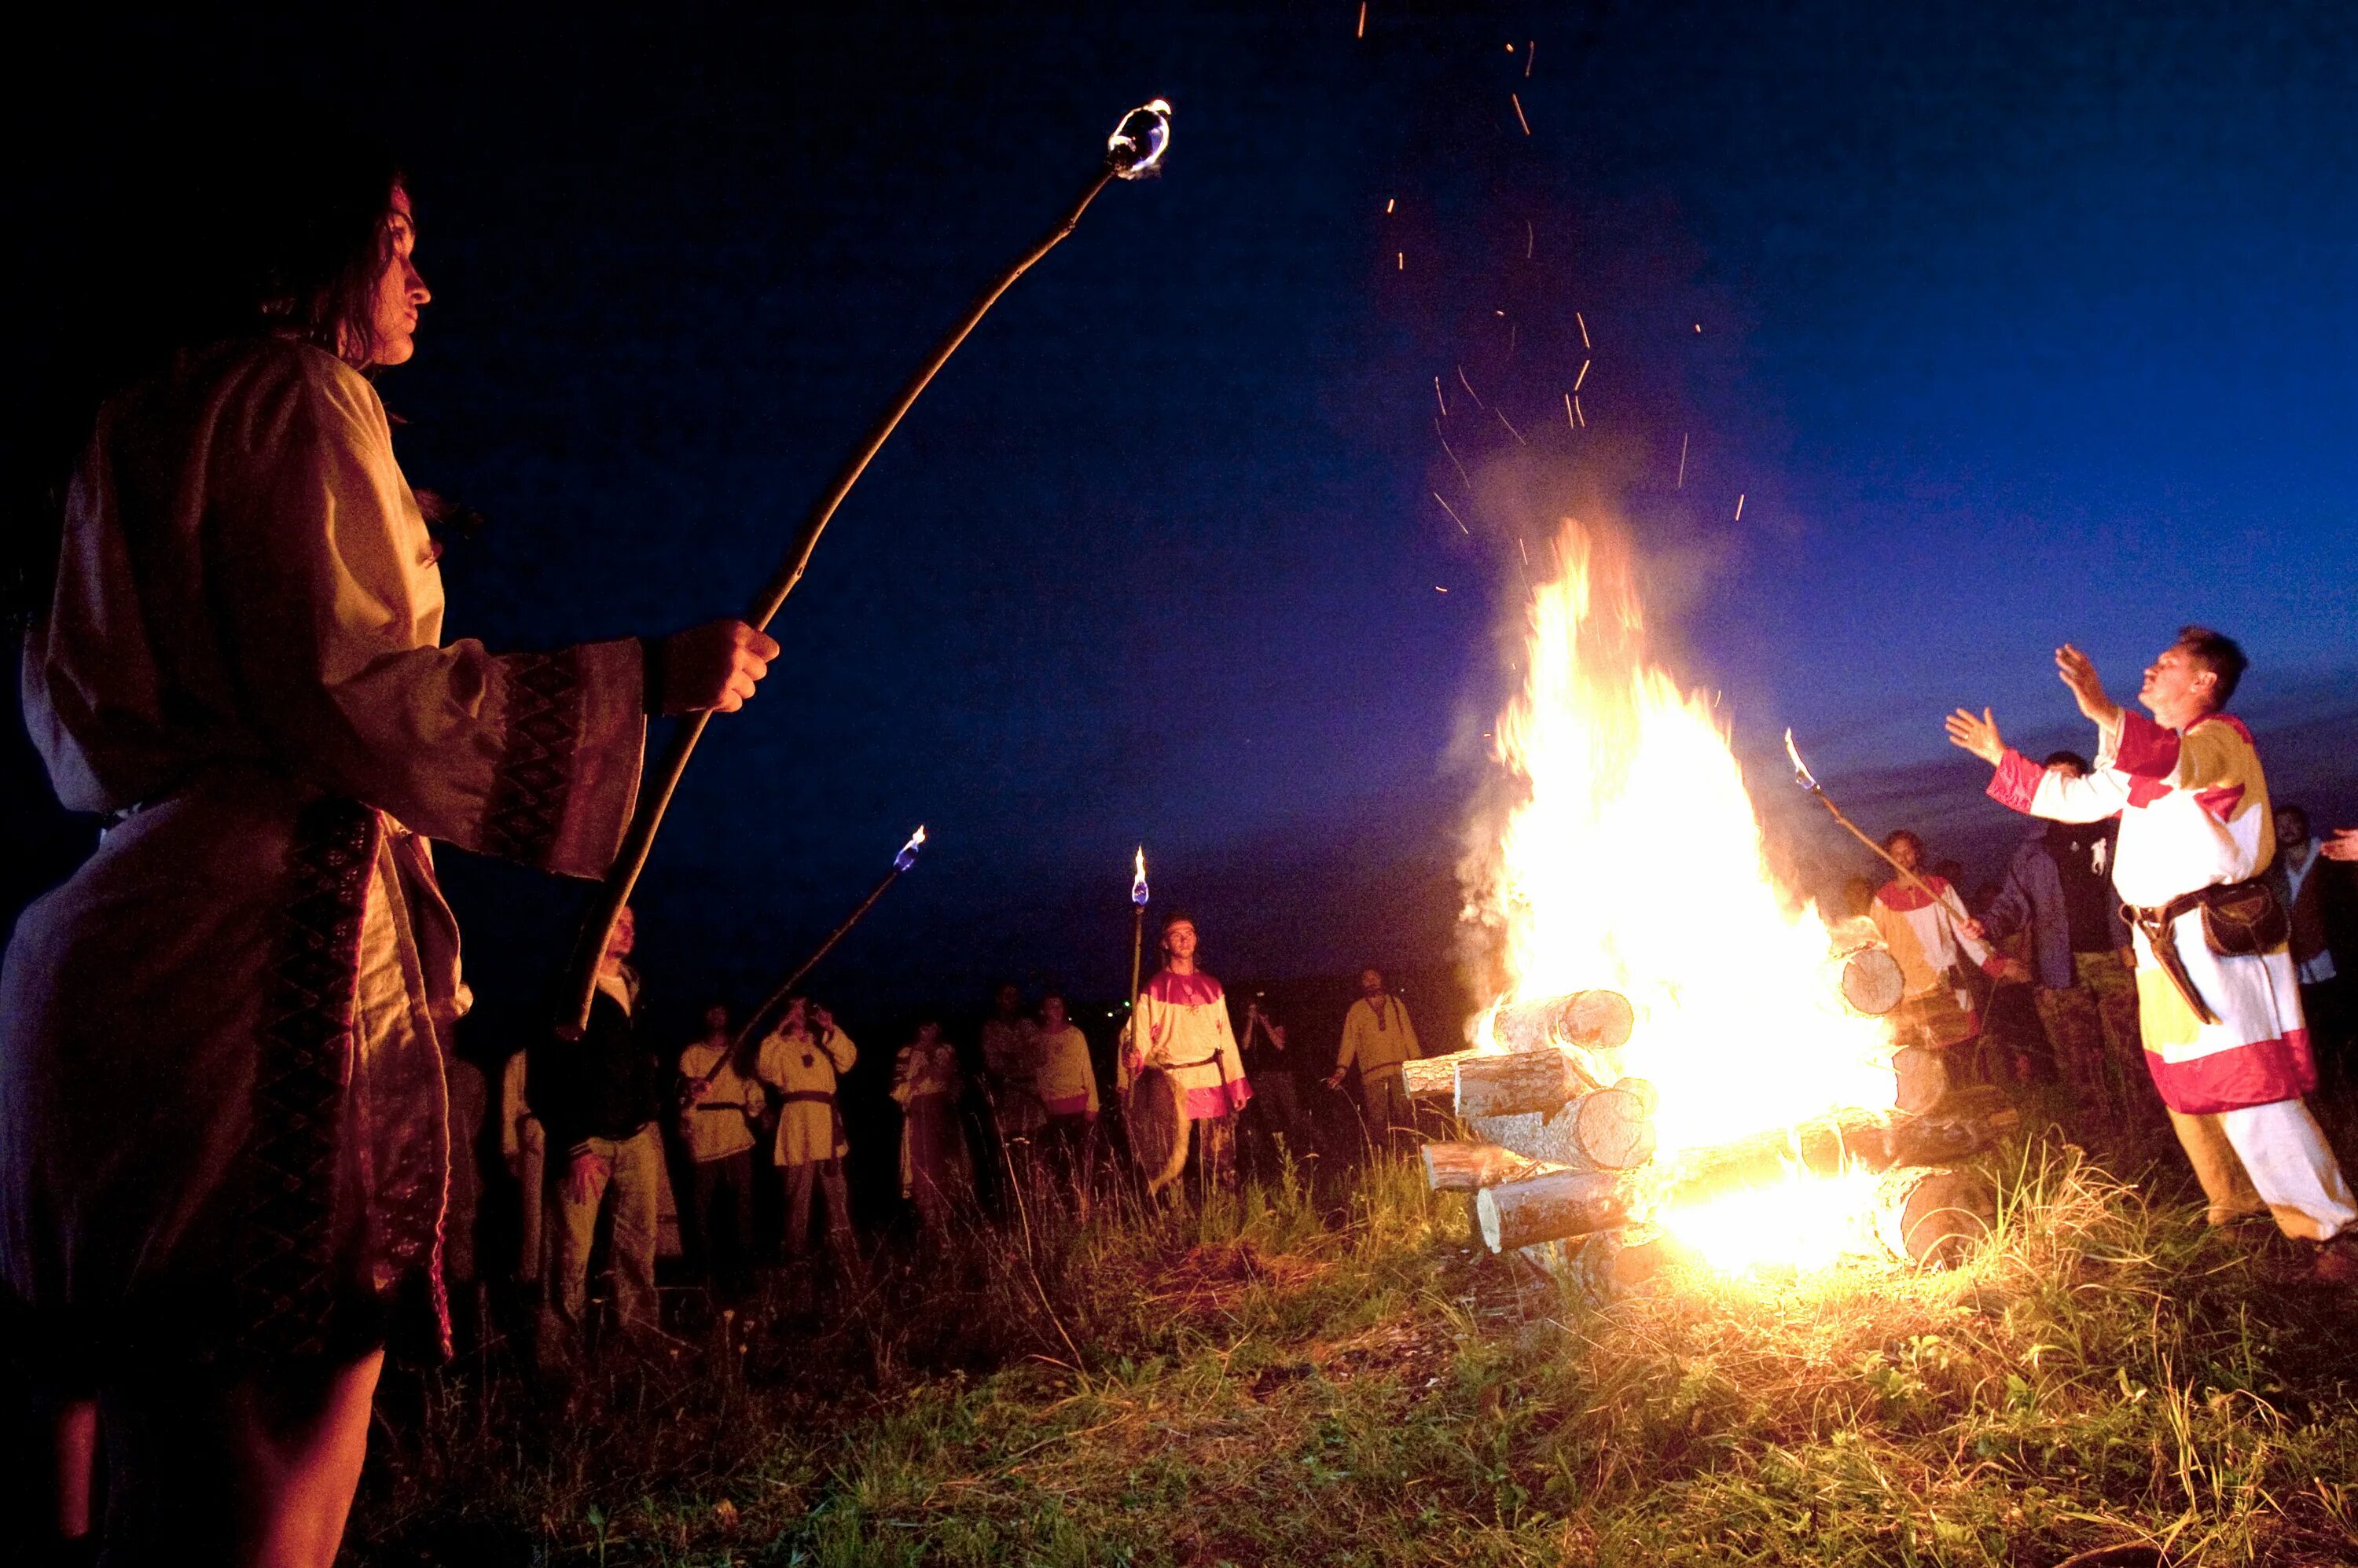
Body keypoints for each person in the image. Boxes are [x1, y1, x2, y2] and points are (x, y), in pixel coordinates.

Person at [0, 138, 776, 1563]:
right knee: (276, 1426)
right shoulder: (300, 392)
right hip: (255, 955)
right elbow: (361, 697)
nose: (426, 274)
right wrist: (648, 677)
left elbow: (96, 712)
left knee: (128, 1423)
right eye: (400, 238)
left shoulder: (124, 428)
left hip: (105, 951)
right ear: (314, 246)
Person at [1948, 629, 2358, 1280]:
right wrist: (2002, 754)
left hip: (2213, 946)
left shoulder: (2222, 739)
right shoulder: (2147, 765)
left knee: (2248, 1087)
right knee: (2189, 1090)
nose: (2150, 667)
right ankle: (2239, 1208)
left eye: (2167, 664)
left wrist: (2107, 711)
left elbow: (2180, 765)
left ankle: (2330, 1233)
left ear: (2202, 684)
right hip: (2161, 950)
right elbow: (2081, 799)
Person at [529, 908, 670, 1365]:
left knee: (637, 1247)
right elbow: (548, 1076)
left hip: (636, 1138)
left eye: (633, 923)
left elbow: (639, 1064)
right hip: (586, 1143)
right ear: (593, 928)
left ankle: (638, 1343)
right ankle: (558, 1357)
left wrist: (671, 1094)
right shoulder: (570, 990)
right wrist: (574, 1146)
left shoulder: (636, 989)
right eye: (618, 922)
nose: (629, 930)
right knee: (571, 1253)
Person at [1976, 752, 2143, 1114]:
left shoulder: (2118, 832)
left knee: (2135, 1047)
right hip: (2058, 966)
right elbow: (2014, 902)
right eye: (2050, 779)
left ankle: (2150, 1131)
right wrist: (1986, 925)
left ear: (2084, 783)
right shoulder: (2035, 848)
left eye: (2067, 778)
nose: (2059, 787)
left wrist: (2135, 941)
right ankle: (2099, 1135)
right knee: (2077, 1054)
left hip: (2118, 958)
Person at [1121, 912, 1253, 1189]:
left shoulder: (1213, 987)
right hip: (1172, 1085)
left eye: (1190, 932)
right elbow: (1138, 1035)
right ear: (1165, 943)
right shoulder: (1154, 989)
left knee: (1220, 1159)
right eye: (1177, 934)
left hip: (1210, 1081)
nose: (1184, 938)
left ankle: (1224, 1218)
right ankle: (1174, 1222)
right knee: (1170, 1163)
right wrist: (1135, 1053)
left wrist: (1236, 1085)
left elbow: (1225, 1038)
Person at [1867, 832, 2023, 1059]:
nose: (1902, 858)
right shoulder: (1884, 900)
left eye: (1907, 852)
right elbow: (1875, 946)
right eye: (1896, 854)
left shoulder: (1940, 888)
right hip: (1909, 989)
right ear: (1887, 856)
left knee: (1961, 1046)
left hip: (1947, 979)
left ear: (1917, 853)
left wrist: (1996, 965)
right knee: (1924, 1053)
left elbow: (1967, 932)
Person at [755, 998, 858, 1265]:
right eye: (794, 1009)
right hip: (798, 1125)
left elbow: (848, 1061)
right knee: (797, 1193)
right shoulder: (779, 1047)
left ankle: (844, 1250)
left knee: (837, 1191)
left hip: (826, 1123)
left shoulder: (822, 1045)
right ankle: (795, 1252)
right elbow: (765, 1070)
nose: (800, 1014)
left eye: (803, 1009)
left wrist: (831, 1028)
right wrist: (780, 1028)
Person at [675, 1005, 764, 1295]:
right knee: (702, 1207)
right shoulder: (692, 1054)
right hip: (704, 1134)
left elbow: (752, 1088)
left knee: (744, 1206)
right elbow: (684, 1093)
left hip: (736, 1133)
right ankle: (705, 1270)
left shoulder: (739, 1052)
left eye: (721, 1011)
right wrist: (685, 1121)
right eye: (710, 1011)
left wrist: (759, 1111)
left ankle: (746, 1268)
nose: (715, 1016)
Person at [2267, 806, 2346, 1089]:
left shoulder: (2331, 860)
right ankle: (2332, 1092)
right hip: (2298, 971)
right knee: (2315, 1035)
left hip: (2337, 962)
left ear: (2304, 824)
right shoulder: (2274, 875)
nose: (2286, 829)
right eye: (2280, 825)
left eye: (2292, 822)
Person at [889, 1019, 971, 1237]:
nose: (929, 1032)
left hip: (944, 1113)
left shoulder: (946, 1051)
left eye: (934, 1027)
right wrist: (925, 1074)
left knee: (948, 1163)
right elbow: (898, 1091)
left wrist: (950, 1085)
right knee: (922, 1164)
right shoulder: (907, 1053)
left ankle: (948, 1217)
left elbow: (958, 1084)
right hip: (920, 1113)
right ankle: (929, 1220)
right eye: (925, 1027)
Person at [1328, 968, 1423, 1148]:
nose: (1371, 981)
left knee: (1405, 1113)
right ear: (1362, 984)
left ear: (1381, 980)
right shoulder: (1356, 1010)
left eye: (1375, 977)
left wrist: (1418, 1064)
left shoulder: (1396, 1004)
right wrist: (1341, 1070)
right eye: (1366, 978)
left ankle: (1411, 1152)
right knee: (1377, 1118)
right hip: (1373, 1073)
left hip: (1399, 1069)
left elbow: (1408, 1034)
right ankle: (1381, 1155)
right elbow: (1349, 1041)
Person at [1030, 993, 1100, 1210]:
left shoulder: (1075, 1035)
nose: (1055, 1009)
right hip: (1052, 1108)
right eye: (1050, 1006)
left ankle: (1084, 1203)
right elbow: (1039, 1074)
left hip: (1077, 1105)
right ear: (1043, 1010)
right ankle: (1063, 1204)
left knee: (1080, 1160)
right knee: (1059, 1161)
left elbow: (1086, 1069)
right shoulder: (1038, 1039)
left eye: (1058, 1005)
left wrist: (1092, 1104)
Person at [979, 982, 1044, 1149]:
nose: (1011, 1000)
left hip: (1030, 1096)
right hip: (1005, 1096)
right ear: (998, 999)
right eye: (1006, 996)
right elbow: (993, 1062)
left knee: (1034, 1145)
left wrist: (1011, 1056)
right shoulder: (991, 1028)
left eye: (1014, 996)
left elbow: (1039, 1056)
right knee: (1009, 1147)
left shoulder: (1028, 1025)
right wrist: (1018, 1056)